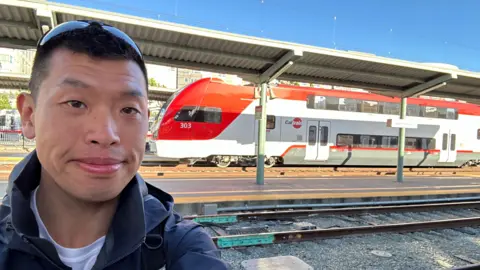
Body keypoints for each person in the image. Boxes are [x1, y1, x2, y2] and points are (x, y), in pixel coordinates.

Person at [0, 20, 229, 270]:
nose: (106, 134)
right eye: (75, 103)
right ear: (29, 116)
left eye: (129, 109)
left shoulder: (182, 246)